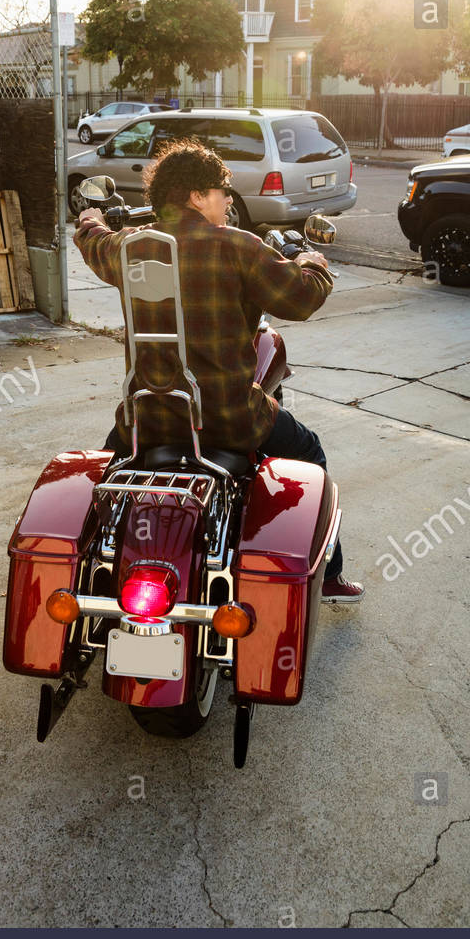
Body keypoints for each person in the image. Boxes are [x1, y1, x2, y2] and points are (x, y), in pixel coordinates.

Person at [74, 138, 363, 603]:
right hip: (230, 419)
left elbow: (92, 240)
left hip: (144, 422)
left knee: (96, 490)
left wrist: (91, 216)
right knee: (310, 453)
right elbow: (301, 299)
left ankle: (96, 573)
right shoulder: (237, 247)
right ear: (195, 196)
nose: (229, 200)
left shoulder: (130, 248)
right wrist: (312, 264)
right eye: (222, 191)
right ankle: (328, 578)